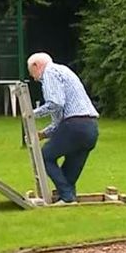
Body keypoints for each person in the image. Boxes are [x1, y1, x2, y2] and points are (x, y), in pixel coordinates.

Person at [27, 52, 99, 204]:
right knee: (71, 166)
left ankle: (66, 197)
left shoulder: (50, 73)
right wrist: (44, 134)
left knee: (45, 156)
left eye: (31, 73)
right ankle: (67, 196)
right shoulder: (64, 71)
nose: (34, 78)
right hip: (91, 127)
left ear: (36, 66)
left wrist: (30, 113)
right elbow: (59, 117)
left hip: (75, 125)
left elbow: (55, 103)